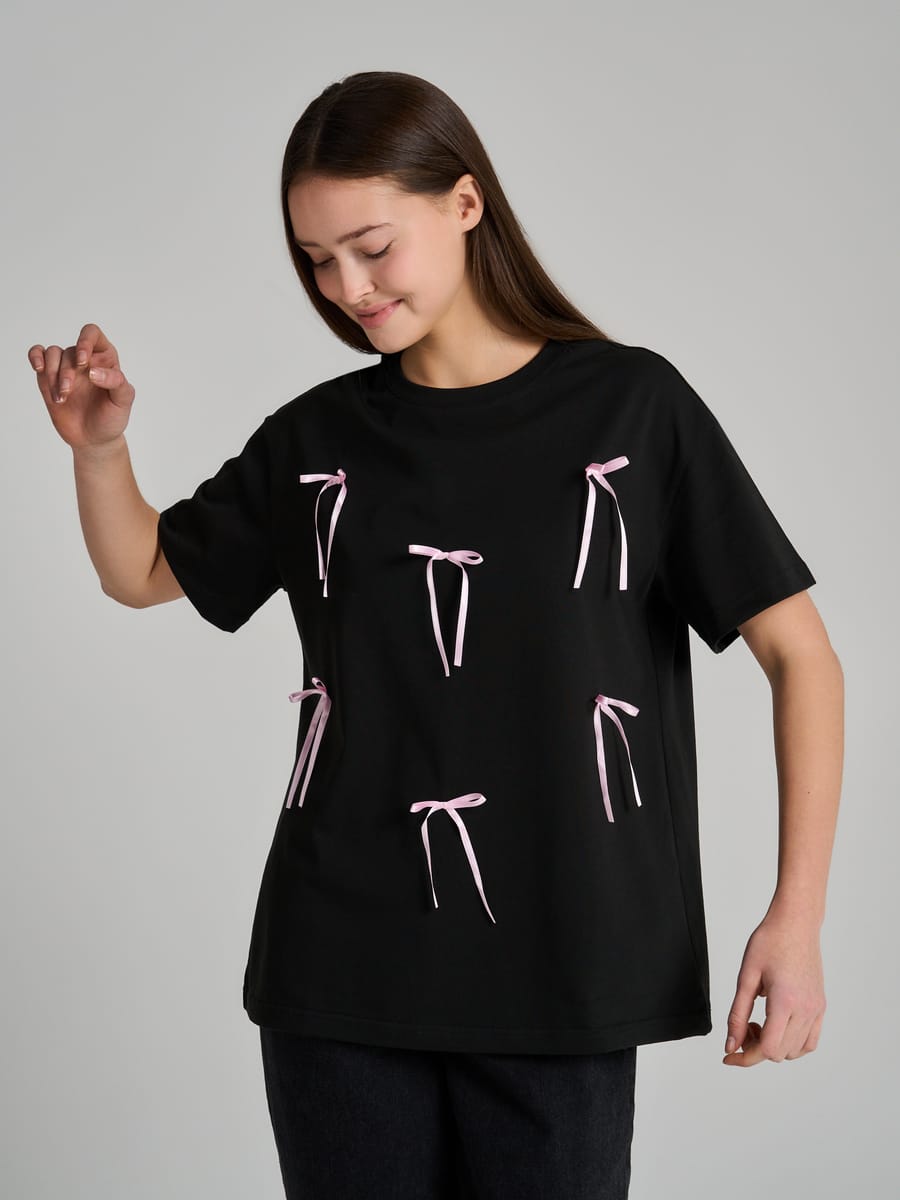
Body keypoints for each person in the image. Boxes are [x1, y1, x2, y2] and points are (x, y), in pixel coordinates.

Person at [28, 70, 843, 1200]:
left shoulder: (633, 410)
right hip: (341, 968)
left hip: (563, 962)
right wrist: (101, 451)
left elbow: (802, 657)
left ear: (466, 203)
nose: (347, 288)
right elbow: (144, 570)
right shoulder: (318, 440)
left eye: (372, 248)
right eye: (318, 260)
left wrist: (796, 918)